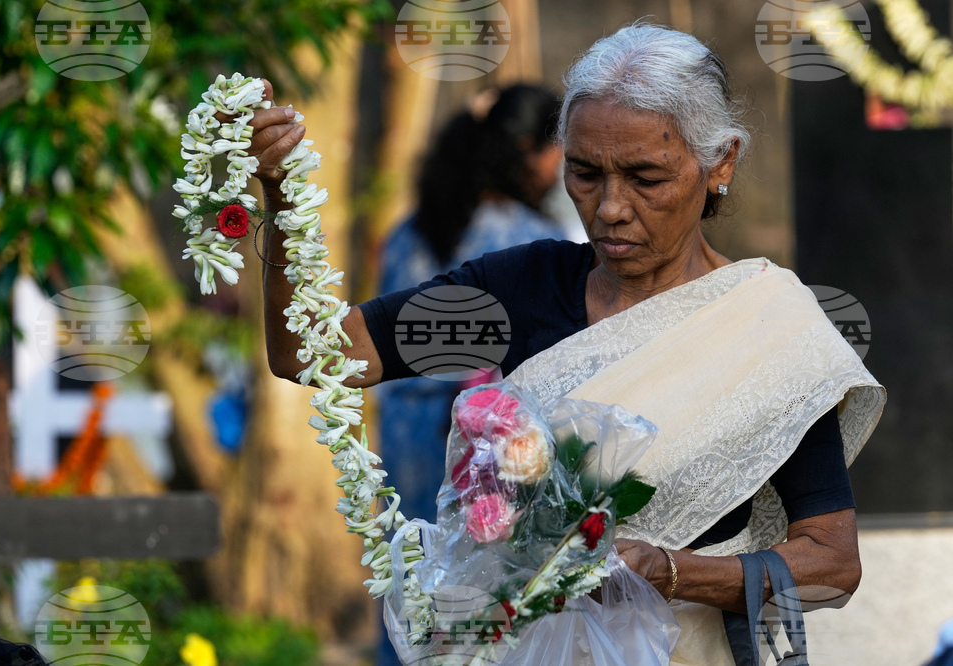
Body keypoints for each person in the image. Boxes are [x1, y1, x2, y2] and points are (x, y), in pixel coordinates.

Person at [253, 22, 886, 665]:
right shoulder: (521, 287)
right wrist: (279, 198)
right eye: (585, 174)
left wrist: (668, 571)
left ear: (719, 162)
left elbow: (832, 564)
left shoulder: (767, 327)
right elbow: (309, 353)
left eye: (646, 178)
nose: (610, 207)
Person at [376, 83, 566, 529]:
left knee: (409, 572)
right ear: (526, 150)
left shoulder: (407, 233)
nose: (559, 173)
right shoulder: (529, 241)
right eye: (557, 157)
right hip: (489, 444)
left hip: (405, 434)